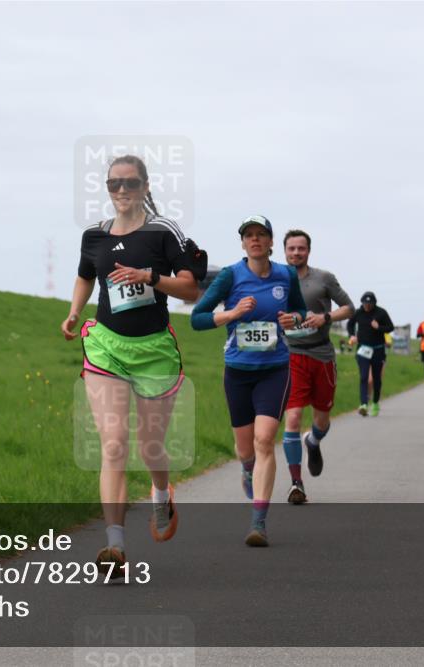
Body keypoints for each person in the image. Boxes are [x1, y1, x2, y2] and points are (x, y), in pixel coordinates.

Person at [61, 155, 199, 570]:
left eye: (130, 183)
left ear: (145, 185)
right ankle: (115, 546)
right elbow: (87, 274)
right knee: (115, 443)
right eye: (113, 184)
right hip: (106, 347)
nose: (122, 191)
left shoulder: (164, 232)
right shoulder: (94, 236)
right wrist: (73, 311)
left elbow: (191, 290)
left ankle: (161, 495)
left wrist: (151, 278)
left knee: (152, 447)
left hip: (154, 349)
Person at [191, 215, 306, 545]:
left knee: (265, 440)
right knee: (246, 450)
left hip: (275, 368)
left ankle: (259, 522)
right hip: (238, 372)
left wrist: (292, 318)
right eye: (249, 236)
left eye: (261, 235)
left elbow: (299, 311)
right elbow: (198, 319)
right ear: (242, 243)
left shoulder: (285, 275)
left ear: (271, 242)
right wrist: (232, 314)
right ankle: (246, 469)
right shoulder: (230, 276)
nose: (255, 240)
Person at [279, 229, 353, 504]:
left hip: (321, 355)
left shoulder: (324, 279)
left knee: (321, 418)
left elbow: (348, 308)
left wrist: (325, 317)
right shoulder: (275, 278)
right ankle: (296, 483)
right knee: (294, 417)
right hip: (291, 355)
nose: (296, 253)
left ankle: (314, 441)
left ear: (308, 251)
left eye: (301, 248)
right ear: (284, 251)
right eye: (291, 249)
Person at [347, 292, 394, 417]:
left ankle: (375, 403)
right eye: (365, 304)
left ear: (374, 303)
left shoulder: (381, 313)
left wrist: (378, 327)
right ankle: (363, 404)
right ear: (362, 303)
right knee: (363, 377)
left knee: (377, 379)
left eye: (369, 304)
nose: (367, 306)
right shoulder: (358, 312)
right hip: (363, 349)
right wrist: (351, 335)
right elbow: (350, 324)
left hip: (378, 350)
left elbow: (390, 327)